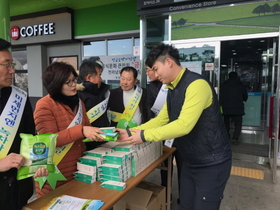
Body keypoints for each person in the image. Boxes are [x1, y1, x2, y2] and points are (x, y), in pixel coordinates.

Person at [118, 43, 232, 210]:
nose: (155, 75)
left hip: (211, 162)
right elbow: (162, 118)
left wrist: (143, 137)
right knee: (185, 205)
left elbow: (183, 125)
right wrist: (134, 131)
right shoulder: (172, 88)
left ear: (169, 62)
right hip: (190, 161)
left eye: (156, 69)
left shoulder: (196, 85)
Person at [34, 62, 105, 197]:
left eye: (74, 80)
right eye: (68, 82)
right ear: (56, 84)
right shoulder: (44, 104)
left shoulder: (79, 102)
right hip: (55, 172)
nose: (74, 85)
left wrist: (105, 135)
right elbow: (48, 140)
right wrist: (82, 130)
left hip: (78, 168)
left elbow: (86, 129)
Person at [0, 38, 48, 210]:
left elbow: (29, 137)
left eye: (11, 64)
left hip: (18, 188)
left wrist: (38, 163)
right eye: (6, 64)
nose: (12, 70)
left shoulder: (19, 98)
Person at [77, 58, 110, 150]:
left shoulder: (102, 91)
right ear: (89, 77)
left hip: (102, 139)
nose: (101, 79)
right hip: (86, 143)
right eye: (99, 75)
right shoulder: (78, 95)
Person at [220, 71, 248, 146]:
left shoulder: (224, 85)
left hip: (226, 107)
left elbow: (221, 97)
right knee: (238, 124)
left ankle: (226, 137)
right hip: (238, 108)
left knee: (226, 123)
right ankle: (235, 138)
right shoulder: (241, 85)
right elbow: (245, 96)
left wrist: (221, 106)